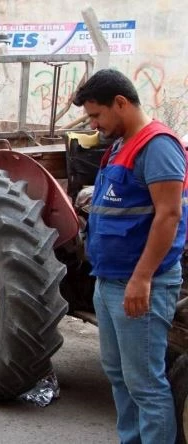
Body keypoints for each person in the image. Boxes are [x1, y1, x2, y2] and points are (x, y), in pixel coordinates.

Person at [74, 69, 187, 443]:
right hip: (110, 281)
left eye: (96, 115)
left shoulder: (158, 146)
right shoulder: (120, 146)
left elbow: (169, 215)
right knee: (119, 375)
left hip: (139, 284)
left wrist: (142, 278)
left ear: (120, 103)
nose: (94, 124)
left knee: (144, 382)